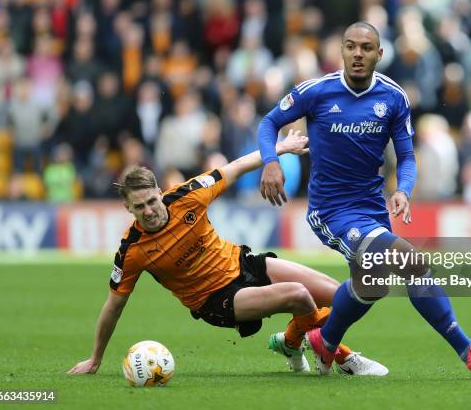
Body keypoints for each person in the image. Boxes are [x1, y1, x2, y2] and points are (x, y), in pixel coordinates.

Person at [257, 22, 471, 376]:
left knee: (371, 286)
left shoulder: (393, 97)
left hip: (372, 208)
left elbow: (406, 156)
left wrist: (403, 188)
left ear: (379, 54)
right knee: (413, 263)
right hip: (331, 210)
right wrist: (271, 162)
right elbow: (269, 122)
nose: (358, 54)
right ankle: (468, 350)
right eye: (351, 46)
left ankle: (324, 341)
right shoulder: (316, 91)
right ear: (341, 51)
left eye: (366, 48)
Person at [68, 130, 387, 377]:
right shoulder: (132, 251)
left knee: (339, 295)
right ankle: (344, 358)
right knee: (300, 296)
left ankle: (291, 342)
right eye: (139, 207)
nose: (149, 211)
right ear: (128, 208)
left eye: (152, 201)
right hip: (215, 300)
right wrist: (96, 358)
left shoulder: (188, 196)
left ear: (160, 192)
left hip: (242, 262)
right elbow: (114, 305)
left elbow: (234, 168)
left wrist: (279, 149)